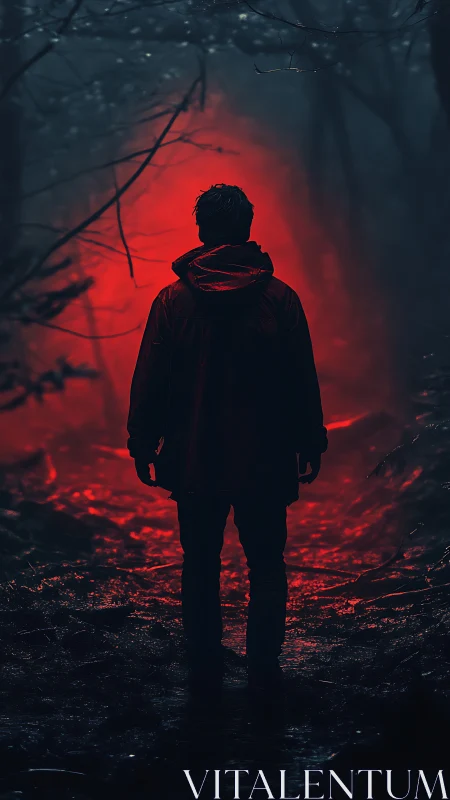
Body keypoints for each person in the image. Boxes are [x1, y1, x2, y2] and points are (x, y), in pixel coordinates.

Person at [127, 184, 327, 694]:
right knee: (265, 560)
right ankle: (264, 662)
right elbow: (301, 376)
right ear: (247, 228)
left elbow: (150, 377)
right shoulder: (280, 300)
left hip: (195, 458)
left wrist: (142, 440)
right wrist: (310, 439)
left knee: (200, 559)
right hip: (266, 457)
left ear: (201, 230)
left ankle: (203, 663)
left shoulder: (173, 301)